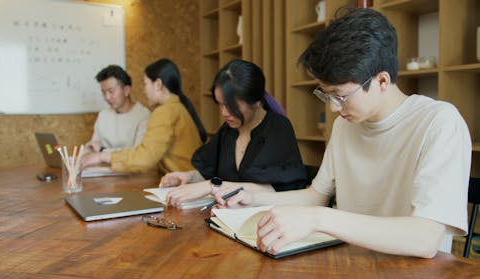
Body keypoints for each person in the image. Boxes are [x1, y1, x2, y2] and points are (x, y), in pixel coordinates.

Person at [213, 8, 471, 258]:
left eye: (341, 96)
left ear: (381, 81)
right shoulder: (345, 125)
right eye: (326, 95)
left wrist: (320, 218)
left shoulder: (438, 122)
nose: (334, 108)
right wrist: (254, 199)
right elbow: (316, 195)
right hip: (348, 262)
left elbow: (425, 238)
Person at [162, 59, 308, 208]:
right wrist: (188, 177)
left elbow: (276, 189)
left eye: (231, 106)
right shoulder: (228, 130)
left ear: (256, 102)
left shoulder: (277, 128)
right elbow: (210, 172)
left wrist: (211, 186)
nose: (224, 113)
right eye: (220, 104)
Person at [82, 58, 207, 174]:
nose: (143, 90)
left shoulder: (165, 112)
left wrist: (102, 155)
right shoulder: (175, 107)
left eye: (145, 84)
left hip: (186, 183)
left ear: (158, 84)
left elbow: (144, 159)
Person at [86, 65, 151, 152]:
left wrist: (103, 150)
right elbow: (93, 147)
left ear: (126, 90)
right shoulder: (103, 115)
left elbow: (137, 155)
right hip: (102, 165)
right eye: (103, 92)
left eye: (111, 91)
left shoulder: (143, 115)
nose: (107, 97)